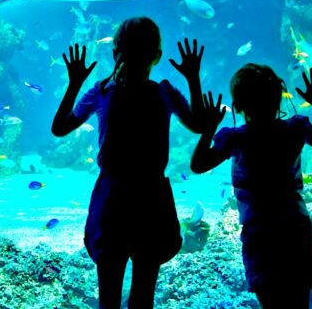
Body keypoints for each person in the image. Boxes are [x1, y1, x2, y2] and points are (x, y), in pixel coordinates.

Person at [51, 17, 204, 309]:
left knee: (108, 295)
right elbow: (197, 124)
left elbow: (60, 128)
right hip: (151, 199)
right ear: (157, 56)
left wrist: (74, 83)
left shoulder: (102, 91)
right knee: (143, 295)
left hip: (112, 199)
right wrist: (193, 78)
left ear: (114, 52)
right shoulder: (163, 92)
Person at [190, 64, 312, 308]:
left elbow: (198, 164)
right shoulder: (294, 129)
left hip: (260, 234)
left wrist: (209, 127)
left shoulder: (236, 139)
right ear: (278, 98)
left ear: (239, 106)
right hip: (296, 230)